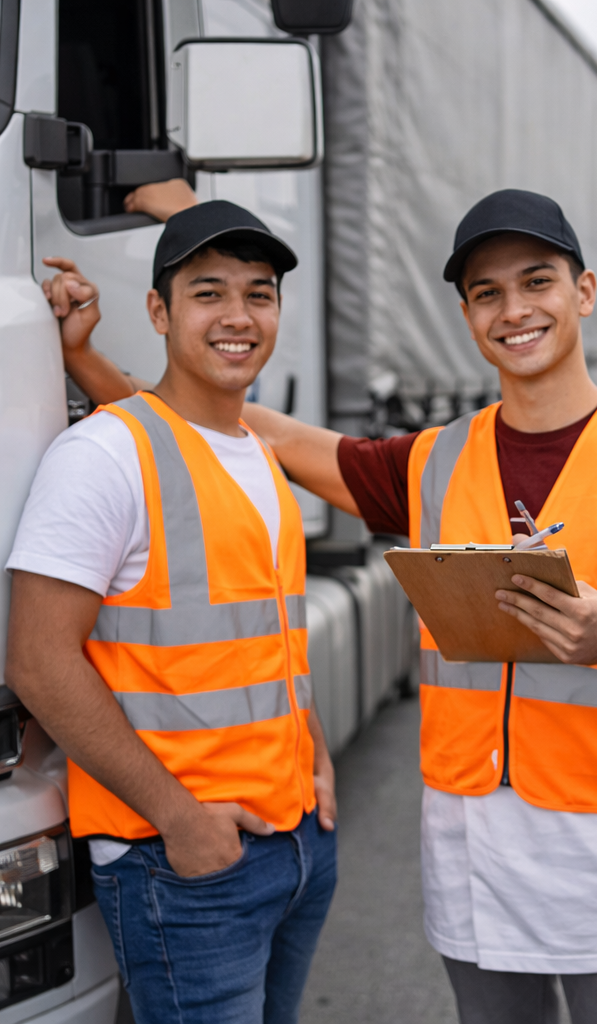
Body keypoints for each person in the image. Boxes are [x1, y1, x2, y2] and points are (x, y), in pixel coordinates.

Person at [55, 187, 597, 1024]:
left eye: (536, 282)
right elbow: (233, 424)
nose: (514, 311)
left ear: (583, 292)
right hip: (473, 846)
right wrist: (91, 363)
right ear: (466, 315)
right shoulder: (429, 463)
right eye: (486, 294)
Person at [5, 201, 338, 1024]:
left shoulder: (256, 456)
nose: (238, 316)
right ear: (158, 310)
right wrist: (179, 821)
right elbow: (39, 662)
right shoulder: (105, 455)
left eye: (259, 295)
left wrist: (318, 767)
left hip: (294, 841)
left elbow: (272, 647)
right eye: (209, 292)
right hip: (185, 865)